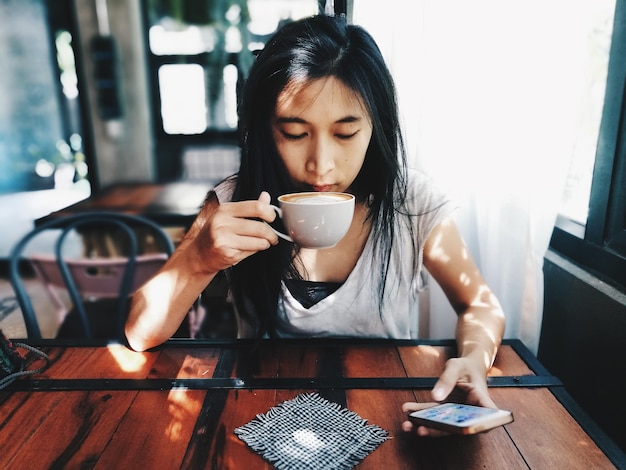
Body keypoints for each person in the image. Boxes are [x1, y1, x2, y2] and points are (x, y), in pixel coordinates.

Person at [125, 14, 505, 437]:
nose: (320, 164)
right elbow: (140, 336)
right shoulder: (235, 200)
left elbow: (480, 306)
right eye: (293, 132)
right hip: (262, 418)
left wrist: (474, 360)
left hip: (386, 418)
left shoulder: (411, 204)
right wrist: (197, 260)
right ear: (265, 130)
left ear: (375, 127)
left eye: (345, 134)